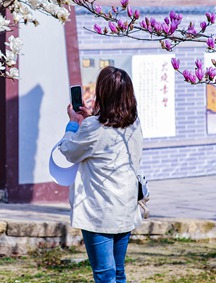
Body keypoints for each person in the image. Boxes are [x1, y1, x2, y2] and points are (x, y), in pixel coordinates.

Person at [57, 66, 143, 283]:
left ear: (103, 93)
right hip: (125, 207)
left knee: (104, 274)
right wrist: (91, 118)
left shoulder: (94, 127)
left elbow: (69, 151)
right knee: (118, 271)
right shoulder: (134, 124)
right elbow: (107, 129)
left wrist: (73, 124)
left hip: (100, 210)